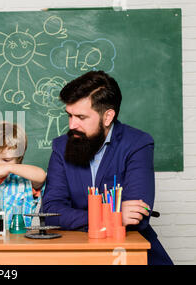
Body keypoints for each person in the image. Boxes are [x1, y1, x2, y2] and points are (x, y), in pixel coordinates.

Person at [42, 70, 173, 265]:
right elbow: (51, 213)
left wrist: (79, 218)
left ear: (108, 116)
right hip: (75, 249)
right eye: (69, 115)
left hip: (128, 250)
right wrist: (112, 216)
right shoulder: (61, 147)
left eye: (81, 117)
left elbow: (138, 218)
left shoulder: (138, 144)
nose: (72, 125)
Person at [0, 121, 46, 228]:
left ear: (19, 158)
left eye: (6, 160)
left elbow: (41, 175)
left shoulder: (25, 181)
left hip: (18, 241)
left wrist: (9, 168)